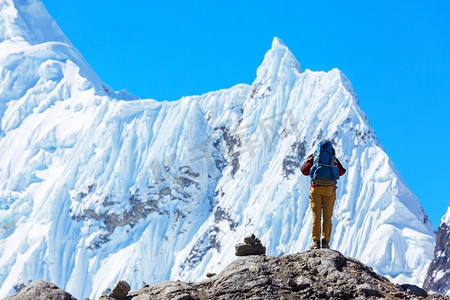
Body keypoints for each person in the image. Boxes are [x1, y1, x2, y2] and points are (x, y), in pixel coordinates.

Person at [301, 140, 346, 250]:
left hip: (316, 188)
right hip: (329, 190)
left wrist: (310, 160)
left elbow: (304, 171)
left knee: (316, 216)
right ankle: (325, 242)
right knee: (327, 217)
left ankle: (316, 242)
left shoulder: (314, 157)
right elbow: (341, 172)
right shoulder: (333, 158)